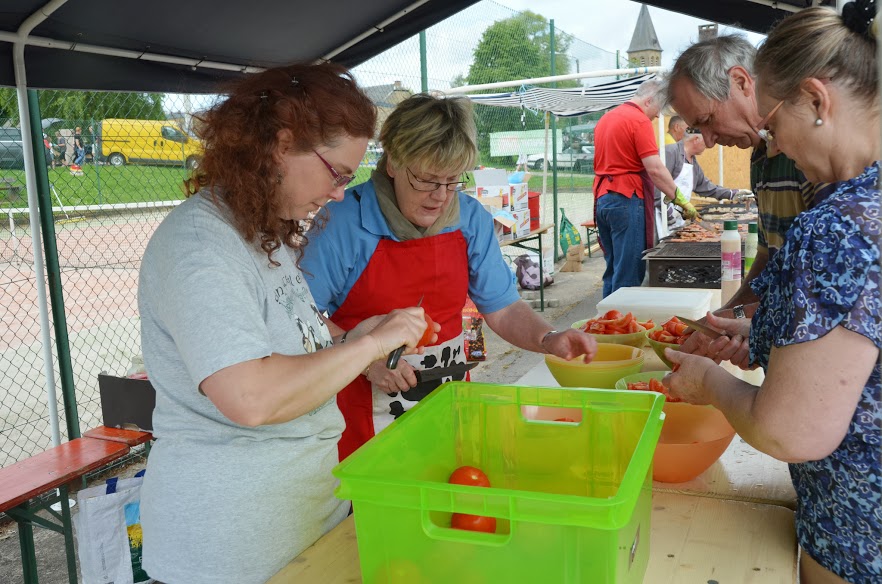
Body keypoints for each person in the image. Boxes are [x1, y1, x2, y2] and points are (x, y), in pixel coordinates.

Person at [137, 63, 433, 584]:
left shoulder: (261, 231)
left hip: (300, 524)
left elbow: (279, 343)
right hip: (230, 552)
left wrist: (350, 339)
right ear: (280, 144)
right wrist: (374, 345)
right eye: (337, 173)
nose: (342, 192)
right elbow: (251, 397)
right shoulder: (200, 245)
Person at [664, 3, 880, 582]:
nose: (774, 144)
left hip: (858, 533)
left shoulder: (838, 223)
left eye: (776, 123)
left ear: (816, 100)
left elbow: (792, 429)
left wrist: (707, 383)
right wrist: (760, 328)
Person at [302, 93, 598, 460]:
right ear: (392, 162)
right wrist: (363, 357)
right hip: (365, 411)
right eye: (427, 180)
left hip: (448, 395)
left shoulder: (470, 218)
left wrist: (549, 338)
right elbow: (301, 316)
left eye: (452, 181)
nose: (440, 197)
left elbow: (502, 307)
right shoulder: (342, 221)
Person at [667, 35, 832, 315]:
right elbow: (769, 256)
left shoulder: (814, 151)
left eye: (707, 120)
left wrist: (746, 323)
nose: (708, 141)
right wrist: (727, 317)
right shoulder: (759, 156)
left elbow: (828, 285)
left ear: (741, 82)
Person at [592, 77, 696, 297]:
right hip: (626, 198)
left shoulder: (606, 118)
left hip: (603, 198)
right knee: (628, 273)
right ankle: (620, 328)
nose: (658, 116)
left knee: (613, 269)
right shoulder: (638, 121)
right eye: (659, 108)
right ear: (649, 100)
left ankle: (603, 325)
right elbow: (655, 169)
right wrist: (679, 198)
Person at [653, 133, 751, 236]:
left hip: (677, 218)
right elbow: (656, 181)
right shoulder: (670, 152)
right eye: (707, 141)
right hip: (659, 216)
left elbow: (706, 187)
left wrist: (732, 193)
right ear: (696, 139)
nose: (709, 145)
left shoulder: (693, 162)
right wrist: (668, 210)